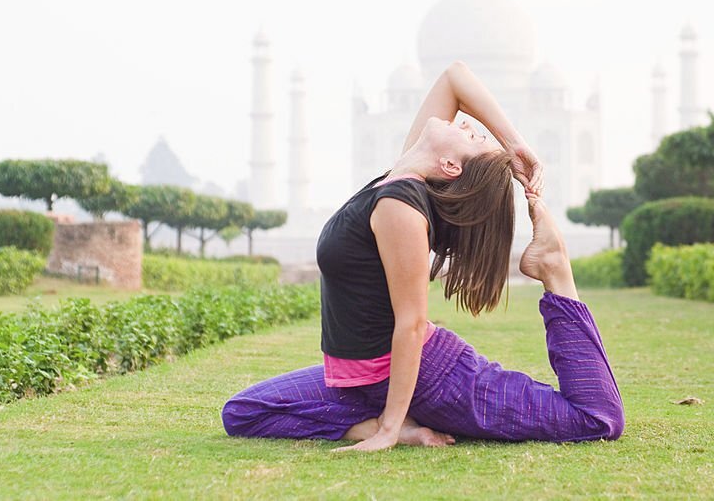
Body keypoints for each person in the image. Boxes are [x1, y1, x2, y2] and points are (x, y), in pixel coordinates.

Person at [221, 61, 624, 451]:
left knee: (594, 418)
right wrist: (514, 143)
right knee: (243, 412)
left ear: (449, 164)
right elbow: (455, 78)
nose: (466, 124)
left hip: (440, 379)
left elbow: (411, 323)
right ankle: (376, 422)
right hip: (361, 381)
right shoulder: (399, 176)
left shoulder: (402, 206)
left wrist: (390, 430)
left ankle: (555, 269)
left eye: (473, 138)